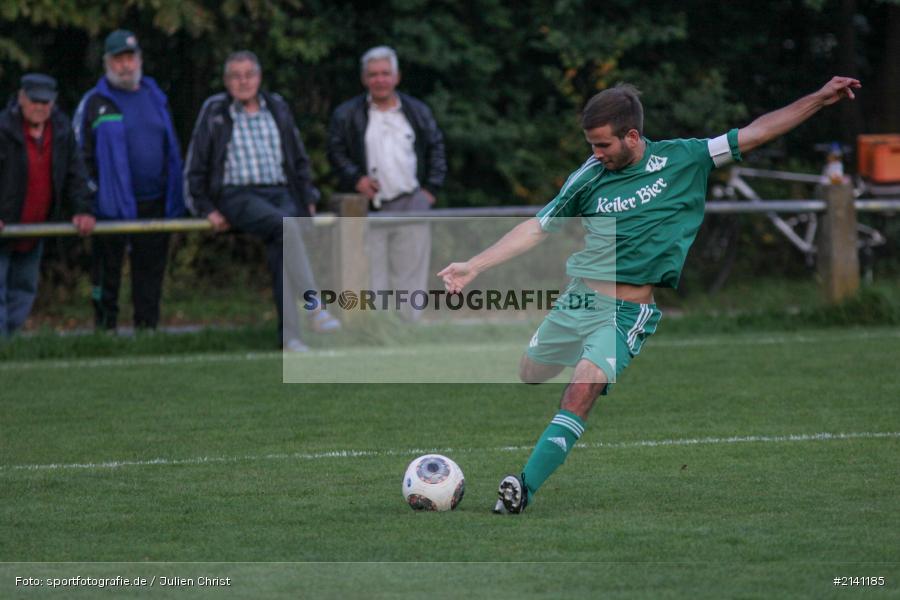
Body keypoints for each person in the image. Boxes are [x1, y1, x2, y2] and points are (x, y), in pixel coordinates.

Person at [438, 76, 862, 514]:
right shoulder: (589, 176)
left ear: (632, 136)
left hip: (625, 313)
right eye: (591, 145)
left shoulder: (686, 157)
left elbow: (757, 132)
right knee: (530, 372)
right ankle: (579, 353)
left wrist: (818, 99)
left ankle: (522, 488)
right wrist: (475, 266)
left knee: (583, 387)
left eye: (603, 145)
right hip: (579, 299)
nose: (595, 154)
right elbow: (536, 228)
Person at [184, 50, 340, 351]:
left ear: (259, 77)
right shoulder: (215, 110)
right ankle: (315, 309)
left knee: (282, 249)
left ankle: (290, 338)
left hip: (280, 192)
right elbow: (195, 164)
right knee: (285, 227)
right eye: (236, 76)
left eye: (249, 75)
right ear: (226, 81)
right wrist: (205, 207)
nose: (243, 81)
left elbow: (297, 157)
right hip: (237, 195)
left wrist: (307, 196)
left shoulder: (277, 106)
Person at [74, 29, 184, 331]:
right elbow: (78, 157)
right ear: (107, 63)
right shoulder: (94, 102)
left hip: (154, 202)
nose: (126, 65)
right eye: (118, 59)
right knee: (106, 273)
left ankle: (147, 332)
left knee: (150, 273)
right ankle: (104, 333)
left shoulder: (155, 96)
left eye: (130, 58)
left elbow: (171, 147)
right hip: (110, 204)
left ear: (140, 60)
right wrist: (88, 201)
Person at [327, 45, 446, 321]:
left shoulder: (416, 111)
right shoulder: (346, 114)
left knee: (410, 278)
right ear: (364, 79)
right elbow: (335, 152)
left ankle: (408, 330)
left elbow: (436, 148)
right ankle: (377, 331)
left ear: (396, 77)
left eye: (385, 73)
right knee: (372, 277)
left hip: (412, 201)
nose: (379, 80)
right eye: (373, 74)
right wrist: (356, 179)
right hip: (369, 207)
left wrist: (430, 191)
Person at [0, 74, 95, 336]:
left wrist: (83, 209)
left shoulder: (62, 131)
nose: (40, 107)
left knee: (24, 289)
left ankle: (10, 344)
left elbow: (76, 174)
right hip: (5, 227)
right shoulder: (3, 128)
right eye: (34, 101)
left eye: (45, 102)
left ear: (53, 103)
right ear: (21, 99)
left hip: (35, 230)